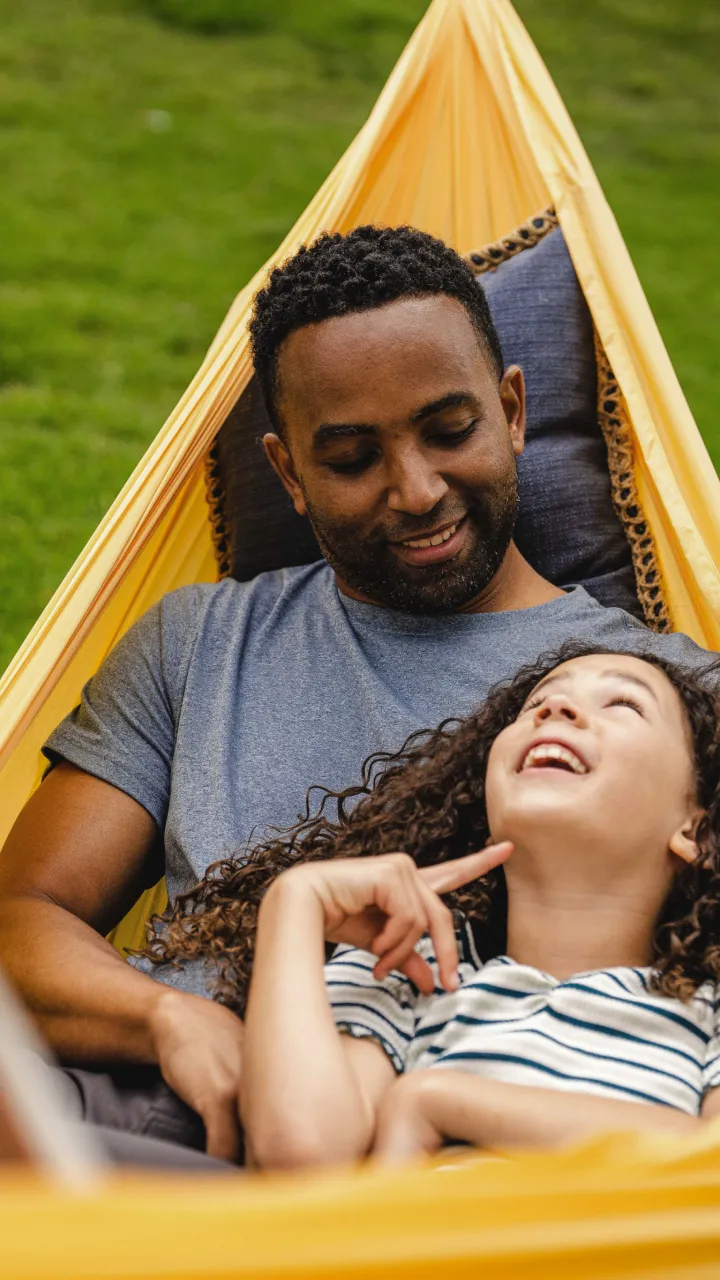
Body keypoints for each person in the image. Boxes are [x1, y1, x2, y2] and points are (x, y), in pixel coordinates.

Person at [0, 227, 712, 1163]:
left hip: (395, 1163)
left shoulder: (668, 700)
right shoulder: (201, 643)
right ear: (288, 473)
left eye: (450, 431)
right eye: (350, 459)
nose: (415, 491)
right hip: (136, 1097)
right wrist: (169, 1021)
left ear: (513, 413)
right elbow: (20, 917)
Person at [152, 644, 720, 1168]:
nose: (558, 709)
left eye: (624, 704)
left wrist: (437, 1102)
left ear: (696, 831)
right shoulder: (410, 972)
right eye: (537, 703)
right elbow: (301, 1157)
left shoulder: (705, 1014)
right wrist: (295, 901)